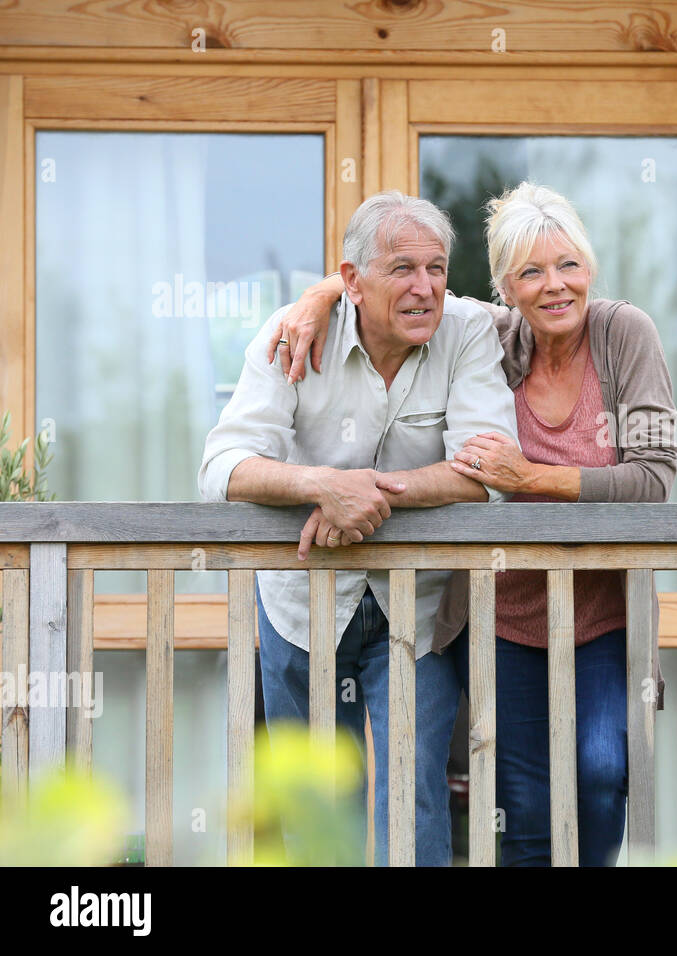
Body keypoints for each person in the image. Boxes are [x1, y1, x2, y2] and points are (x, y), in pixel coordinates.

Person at [269, 181, 677, 866]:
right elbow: (391, 283)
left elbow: (654, 479)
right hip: (503, 617)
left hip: (603, 616)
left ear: (591, 267)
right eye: (532, 272)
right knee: (521, 805)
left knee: (604, 778)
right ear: (504, 288)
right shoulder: (483, 333)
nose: (556, 286)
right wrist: (318, 298)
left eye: (569, 264)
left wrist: (529, 479)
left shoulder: (625, 334)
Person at [198, 190, 519, 866]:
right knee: (318, 810)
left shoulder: (466, 331)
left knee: (412, 797)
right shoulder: (291, 333)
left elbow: (488, 469)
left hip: (418, 605)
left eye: (437, 268)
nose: (425, 288)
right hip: (299, 601)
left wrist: (370, 498)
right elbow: (221, 467)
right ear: (351, 282)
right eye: (402, 269)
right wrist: (321, 485)